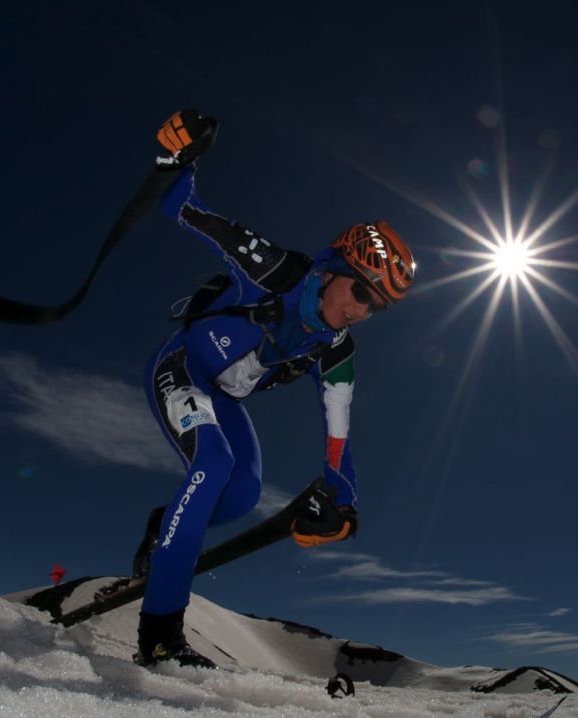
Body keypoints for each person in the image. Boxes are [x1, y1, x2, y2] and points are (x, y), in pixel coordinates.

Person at [131, 110, 416, 669]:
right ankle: (160, 633)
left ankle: (164, 526)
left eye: (375, 306)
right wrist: (176, 157)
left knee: (240, 494)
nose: (360, 309)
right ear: (334, 266)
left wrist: (344, 505)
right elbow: (185, 209)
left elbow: (340, 442)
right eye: (360, 290)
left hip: (224, 398)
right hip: (182, 367)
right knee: (212, 465)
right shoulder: (274, 270)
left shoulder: (336, 351)